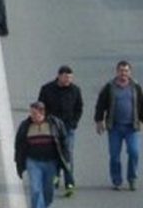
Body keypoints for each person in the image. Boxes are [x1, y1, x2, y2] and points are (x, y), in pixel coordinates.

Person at [94, 61, 143, 191]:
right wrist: (99, 121)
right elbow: (100, 105)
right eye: (121, 70)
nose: (123, 73)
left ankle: (132, 178)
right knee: (114, 156)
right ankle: (117, 180)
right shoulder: (109, 87)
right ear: (117, 72)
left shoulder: (136, 87)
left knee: (134, 152)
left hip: (132, 127)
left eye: (126, 71)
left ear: (130, 72)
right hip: (115, 127)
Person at [37, 65, 83, 196]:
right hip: (52, 128)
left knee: (67, 155)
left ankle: (69, 183)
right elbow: (40, 108)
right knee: (53, 155)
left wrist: (74, 122)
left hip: (68, 128)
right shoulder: (47, 89)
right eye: (65, 77)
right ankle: (54, 178)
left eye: (70, 78)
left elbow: (79, 108)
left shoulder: (75, 90)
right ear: (59, 76)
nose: (68, 80)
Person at [14, 101, 70, 208]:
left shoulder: (55, 124)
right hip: (33, 162)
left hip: (51, 162)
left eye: (34, 113)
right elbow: (19, 145)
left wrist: (65, 158)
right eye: (31, 113)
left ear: (42, 113)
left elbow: (63, 141)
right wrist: (19, 161)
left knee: (48, 190)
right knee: (35, 189)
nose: (32, 116)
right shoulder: (25, 126)